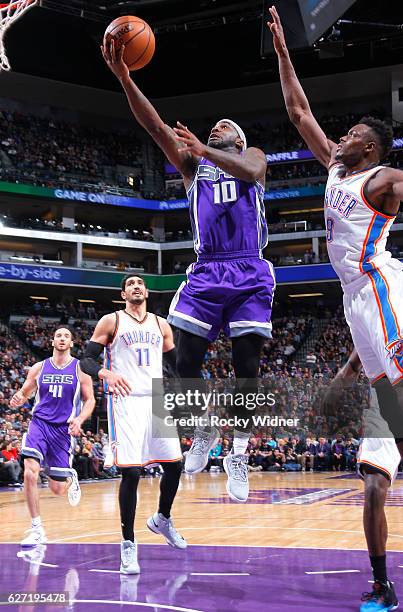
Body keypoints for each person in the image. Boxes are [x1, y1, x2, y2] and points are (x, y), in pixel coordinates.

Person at [101, 40, 275, 504]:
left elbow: (254, 172)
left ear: (236, 140)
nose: (214, 128)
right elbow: (154, 124)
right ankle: (201, 428)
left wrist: (206, 149)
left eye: (224, 127)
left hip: (249, 269)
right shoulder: (192, 165)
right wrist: (124, 76)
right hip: (205, 272)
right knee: (182, 361)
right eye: (211, 128)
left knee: (245, 366)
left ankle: (238, 450)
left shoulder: (249, 157)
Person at [80, 275, 186, 575]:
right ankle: (128, 544)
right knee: (131, 472)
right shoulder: (111, 321)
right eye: (131, 284)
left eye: (140, 282)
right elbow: (85, 361)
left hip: (155, 398)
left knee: (175, 466)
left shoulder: (161, 324)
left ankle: (162, 519)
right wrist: (105, 374)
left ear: (147, 291)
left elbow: (174, 366)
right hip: (125, 400)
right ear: (123, 292)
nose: (136, 286)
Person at [324, 348, 402, 611]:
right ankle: (382, 585)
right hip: (384, 405)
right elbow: (354, 362)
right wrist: (339, 381)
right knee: (373, 487)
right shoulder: (371, 314)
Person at [10, 327, 95, 546]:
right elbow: (25, 391)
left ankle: (70, 477)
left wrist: (80, 419)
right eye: (58, 335)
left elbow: (90, 400)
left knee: (57, 489)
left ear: (72, 343)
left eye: (66, 336)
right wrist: (19, 396)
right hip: (39, 424)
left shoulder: (80, 369)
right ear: (52, 341)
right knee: (30, 473)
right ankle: (36, 528)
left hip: (62, 431)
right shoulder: (39, 368)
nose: (62, 338)